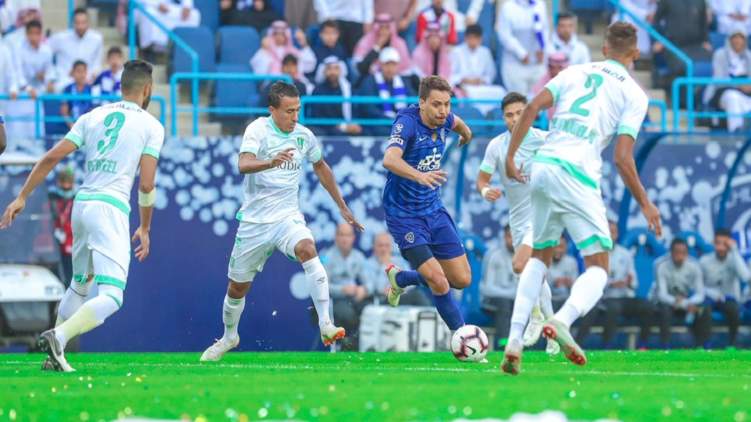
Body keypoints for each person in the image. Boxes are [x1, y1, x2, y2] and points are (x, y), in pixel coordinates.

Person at [501, 22, 660, 375]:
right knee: (599, 267)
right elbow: (622, 157)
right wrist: (646, 204)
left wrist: (511, 158)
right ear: (634, 54)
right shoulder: (635, 95)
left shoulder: (574, 71)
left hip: (543, 167)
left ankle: (513, 342)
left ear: (603, 48)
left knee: (539, 257)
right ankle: (563, 320)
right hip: (578, 173)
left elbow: (530, 110)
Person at [0, 60, 163, 372]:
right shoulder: (151, 126)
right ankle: (59, 336)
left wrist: (22, 196)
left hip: (83, 202)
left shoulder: (93, 116)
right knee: (113, 296)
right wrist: (145, 226)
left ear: (121, 87)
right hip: (110, 208)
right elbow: (146, 183)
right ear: (147, 89)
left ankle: (53, 357)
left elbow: (51, 157)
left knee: (79, 284)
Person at [199, 82, 364, 362]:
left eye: (298, 110)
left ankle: (326, 323)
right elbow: (243, 164)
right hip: (254, 222)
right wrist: (271, 162)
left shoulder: (304, 136)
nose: (295, 116)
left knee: (308, 249)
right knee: (237, 288)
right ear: (272, 110)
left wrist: (342, 206)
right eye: (289, 111)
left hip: (287, 217)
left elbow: (321, 166)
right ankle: (229, 337)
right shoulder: (257, 130)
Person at [381, 76, 474, 333]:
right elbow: (389, 159)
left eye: (447, 104)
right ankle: (464, 338)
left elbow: (460, 124)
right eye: (436, 104)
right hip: (404, 216)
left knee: (461, 279)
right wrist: (420, 175)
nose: (443, 110)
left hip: (434, 210)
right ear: (421, 102)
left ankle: (401, 278)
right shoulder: (407, 123)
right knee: (439, 281)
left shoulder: (445, 119)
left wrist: (466, 134)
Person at [475, 92, 557, 354]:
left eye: (519, 113)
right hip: (519, 220)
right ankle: (554, 331)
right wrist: (486, 192)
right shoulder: (497, 146)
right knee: (536, 276)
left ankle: (534, 315)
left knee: (520, 264)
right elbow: (481, 181)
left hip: (543, 215)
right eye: (509, 115)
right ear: (503, 118)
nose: (514, 119)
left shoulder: (544, 140)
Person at [576, 220, 654, 348]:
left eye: (614, 232)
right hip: (605, 297)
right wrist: (611, 284)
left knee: (648, 306)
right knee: (613, 307)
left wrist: (630, 282)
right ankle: (607, 345)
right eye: (608, 232)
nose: (611, 235)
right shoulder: (594, 254)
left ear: (617, 234)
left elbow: (634, 281)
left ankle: (643, 345)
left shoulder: (626, 253)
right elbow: (590, 282)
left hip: (625, 296)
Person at [655, 238, 712, 348]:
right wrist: (677, 302)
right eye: (677, 252)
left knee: (704, 310)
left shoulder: (694, 267)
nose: (680, 255)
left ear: (687, 253)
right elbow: (661, 294)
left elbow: (700, 293)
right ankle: (665, 346)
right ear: (671, 252)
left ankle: (703, 346)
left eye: (683, 252)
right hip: (670, 303)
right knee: (664, 310)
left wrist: (687, 303)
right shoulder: (662, 267)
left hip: (688, 302)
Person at [699, 228, 750, 347]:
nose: (721, 247)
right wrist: (712, 294)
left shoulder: (735, 259)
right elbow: (698, 286)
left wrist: (734, 250)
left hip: (728, 299)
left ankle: (731, 345)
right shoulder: (704, 260)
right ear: (713, 243)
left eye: (724, 244)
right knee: (703, 309)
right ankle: (705, 345)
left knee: (734, 309)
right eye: (717, 243)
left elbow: (745, 277)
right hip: (709, 298)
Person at [322, 223, 369, 350]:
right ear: (336, 237)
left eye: (347, 235)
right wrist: (342, 290)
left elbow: (369, 281)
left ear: (353, 238)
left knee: (369, 310)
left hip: (354, 298)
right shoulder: (326, 257)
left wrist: (363, 289)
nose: (344, 239)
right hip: (335, 300)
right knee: (348, 314)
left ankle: (364, 345)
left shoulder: (359, 257)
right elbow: (321, 286)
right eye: (341, 235)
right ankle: (346, 344)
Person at [8, 19, 54, 140]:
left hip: (37, 93)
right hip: (21, 94)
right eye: (31, 33)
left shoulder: (47, 51)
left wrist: (47, 80)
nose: (34, 37)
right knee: (19, 128)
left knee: (36, 129)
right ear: (27, 34)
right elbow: (17, 73)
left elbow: (49, 72)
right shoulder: (18, 49)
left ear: (41, 34)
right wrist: (28, 88)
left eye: (37, 33)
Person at [355, 47, 415, 136]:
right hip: (378, 123)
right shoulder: (370, 81)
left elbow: (412, 102)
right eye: (387, 64)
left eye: (393, 64)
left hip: (400, 123)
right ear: (381, 65)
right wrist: (389, 119)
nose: (390, 68)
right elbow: (369, 108)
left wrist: (402, 118)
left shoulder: (404, 82)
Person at [652, 0, 712, 89]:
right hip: (673, 46)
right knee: (683, 67)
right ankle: (679, 99)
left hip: (696, 46)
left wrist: (706, 41)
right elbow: (656, 21)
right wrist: (659, 40)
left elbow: (703, 24)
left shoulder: (700, 2)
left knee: (708, 64)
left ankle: (697, 97)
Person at [496, 0, 549, 96]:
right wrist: (521, 53)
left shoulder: (540, 4)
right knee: (518, 103)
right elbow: (504, 34)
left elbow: (545, 29)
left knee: (538, 101)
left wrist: (542, 48)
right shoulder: (508, 7)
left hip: (537, 65)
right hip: (515, 65)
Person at [364, 231, 431, 306]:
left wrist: (400, 289)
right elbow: (371, 288)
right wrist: (384, 264)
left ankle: (429, 315)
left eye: (387, 245)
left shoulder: (400, 261)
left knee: (417, 294)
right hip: (382, 300)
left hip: (401, 295)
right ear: (373, 247)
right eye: (380, 245)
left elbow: (411, 283)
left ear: (391, 247)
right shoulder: (368, 264)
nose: (384, 249)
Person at [450, 24, 506, 113]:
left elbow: (491, 74)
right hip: (464, 86)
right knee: (468, 94)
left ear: (480, 39)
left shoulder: (485, 52)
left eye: (475, 38)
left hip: (481, 86)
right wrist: (463, 80)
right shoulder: (457, 52)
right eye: (470, 38)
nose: (473, 41)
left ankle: (490, 115)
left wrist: (482, 80)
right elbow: (451, 74)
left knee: (501, 91)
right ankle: (477, 114)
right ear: (466, 38)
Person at [479, 225, 519, 348]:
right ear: (504, 237)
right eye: (509, 237)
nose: (512, 240)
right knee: (504, 303)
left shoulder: (523, 257)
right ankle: (504, 344)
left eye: (515, 237)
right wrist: (512, 294)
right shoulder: (493, 255)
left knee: (526, 304)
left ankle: (525, 345)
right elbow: (486, 289)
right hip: (490, 301)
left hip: (513, 300)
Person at [705, 29, 751, 132]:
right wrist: (738, 85)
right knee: (732, 97)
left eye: (741, 38)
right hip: (724, 93)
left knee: (739, 101)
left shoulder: (749, 56)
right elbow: (719, 80)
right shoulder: (720, 54)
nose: (738, 41)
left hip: (746, 95)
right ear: (729, 40)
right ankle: (736, 131)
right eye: (735, 37)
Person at [49, 8, 103, 87]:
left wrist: (91, 76)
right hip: (64, 83)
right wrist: (53, 74)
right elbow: (45, 55)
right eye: (77, 23)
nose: (80, 26)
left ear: (88, 23)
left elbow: (97, 64)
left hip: (87, 85)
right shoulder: (60, 38)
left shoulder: (97, 39)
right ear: (72, 23)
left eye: (83, 22)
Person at [309, 56, 362, 136]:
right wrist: (342, 127)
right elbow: (317, 116)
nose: (332, 72)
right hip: (325, 128)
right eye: (329, 69)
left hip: (347, 126)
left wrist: (354, 125)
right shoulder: (317, 90)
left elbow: (355, 111)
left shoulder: (348, 89)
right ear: (324, 71)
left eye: (336, 68)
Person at [353, 14, 412, 80]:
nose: (383, 31)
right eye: (381, 27)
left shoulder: (400, 44)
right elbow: (360, 68)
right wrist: (377, 46)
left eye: (387, 28)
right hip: (371, 80)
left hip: (394, 81)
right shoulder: (366, 41)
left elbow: (406, 71)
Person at [251, 20, 316, 76]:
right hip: (274, 84)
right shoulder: (265, 51)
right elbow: (259, 72)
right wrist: (263, 49)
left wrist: (304, 45)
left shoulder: (293, 51)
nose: (279, 37)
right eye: (276, 34)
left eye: (282, 34)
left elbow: (309, 66)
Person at [136, 0, 200, 54]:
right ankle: (150, 48)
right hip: (146, 5)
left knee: (194, 15)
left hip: (166, 6)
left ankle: (183, 46)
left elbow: (187, 5)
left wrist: (187, 6)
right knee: (150, 12)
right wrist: (157, 4)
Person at [49, 168, 76, 286]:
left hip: (70, 245)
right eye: (63, 182)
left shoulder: (77, 198)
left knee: (69, 278)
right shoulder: (50, 197)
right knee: (53, 278)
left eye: (68, 183)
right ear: (58, 182)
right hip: (52, 245)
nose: (66, 186)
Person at [532, 52, 569, 120]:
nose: (555, 71)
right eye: (552, 67)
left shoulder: (572, 83)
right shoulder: (540, 83)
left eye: (559, 68)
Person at [61, 61, 94, 129]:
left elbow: (93, 110)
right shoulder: (67, 89)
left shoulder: (91, 89)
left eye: (84, 71)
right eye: (78, 71)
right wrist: (71, 125)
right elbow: (64, 112)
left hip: (87, 126)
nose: (82, 74)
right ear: (73, 73)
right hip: (71, 128)